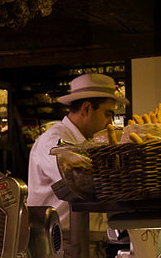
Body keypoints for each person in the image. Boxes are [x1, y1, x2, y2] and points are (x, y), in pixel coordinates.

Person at [27, 73, 121, 230]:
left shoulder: (87, 143)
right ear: (87, 108)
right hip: (60, 244)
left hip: (88, 239)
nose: (110, 123)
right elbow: (80, 180)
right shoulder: (53, 141)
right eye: (107, 114)